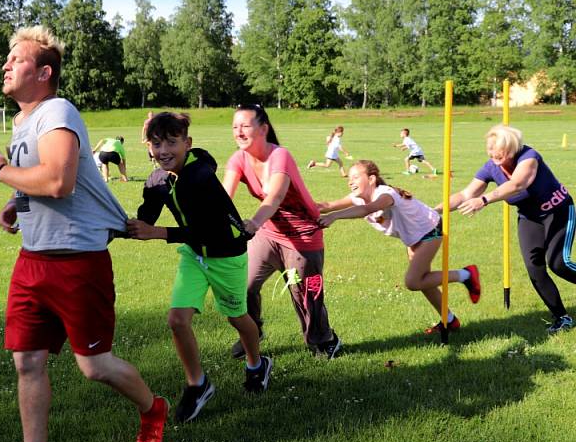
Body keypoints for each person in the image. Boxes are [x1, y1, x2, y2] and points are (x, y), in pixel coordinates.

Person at [0, 25, 168, 442]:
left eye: (16, 60)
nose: (6, 65)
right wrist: (13, 204)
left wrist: (0, 171)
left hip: (78, 263)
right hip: (32, 259)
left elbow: (59, 183)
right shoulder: (23, 122)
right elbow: (41, 179)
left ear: (43, 72)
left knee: (95, 366)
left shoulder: (57, 110)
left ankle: (153, 408)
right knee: (27, 361)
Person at [127, 112, 273, 424]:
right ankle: (198, 384)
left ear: (187, 143)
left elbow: (213, 231)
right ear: (148, 147)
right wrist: (111, 226)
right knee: (177, 320)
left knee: (237, 317)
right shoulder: (157, 181)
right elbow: (145, 221)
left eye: (171, 142)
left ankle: (256, 362)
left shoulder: (200, 176)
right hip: (194, 255)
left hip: (226, 254)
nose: (163, 150)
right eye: (156, 143)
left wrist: (160, 233)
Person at [223, 105, 342, 359]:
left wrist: (253, 223)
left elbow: (275, 196)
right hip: (269, 232)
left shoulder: (280, 156)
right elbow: (224, 197)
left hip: (303, 236)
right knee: (243, 285)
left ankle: (325, 339)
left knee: (306, 295)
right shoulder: (238, 159)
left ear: (263, 128)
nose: (239, 132)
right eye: (235, 127)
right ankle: (251, 333)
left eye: (245, 126)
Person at [317, 160, 481, 334]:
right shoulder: (357, 198)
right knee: (423, 281)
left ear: (371, 179)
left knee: (413, 281)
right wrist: (298, 207)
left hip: (430, 229)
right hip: (413, 237)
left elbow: (368, 209)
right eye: (349, 178)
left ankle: (467, 274)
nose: (350, 181)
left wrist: (335, 216)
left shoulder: (385, 194)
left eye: (356, 177)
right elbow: (327, 206)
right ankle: (449, 320)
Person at [442, 124, 575, 334]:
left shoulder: (529, 157)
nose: (493, 152)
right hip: (530, 218)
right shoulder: (490, 167)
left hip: (558, 211)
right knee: (535, 269)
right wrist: (435, 210)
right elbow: (466, 194)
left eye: (498, 148)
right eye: (490, 148)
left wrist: (484, 200)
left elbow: (518, 184)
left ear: (511, 148)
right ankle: (562, 318)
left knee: (559, 263)